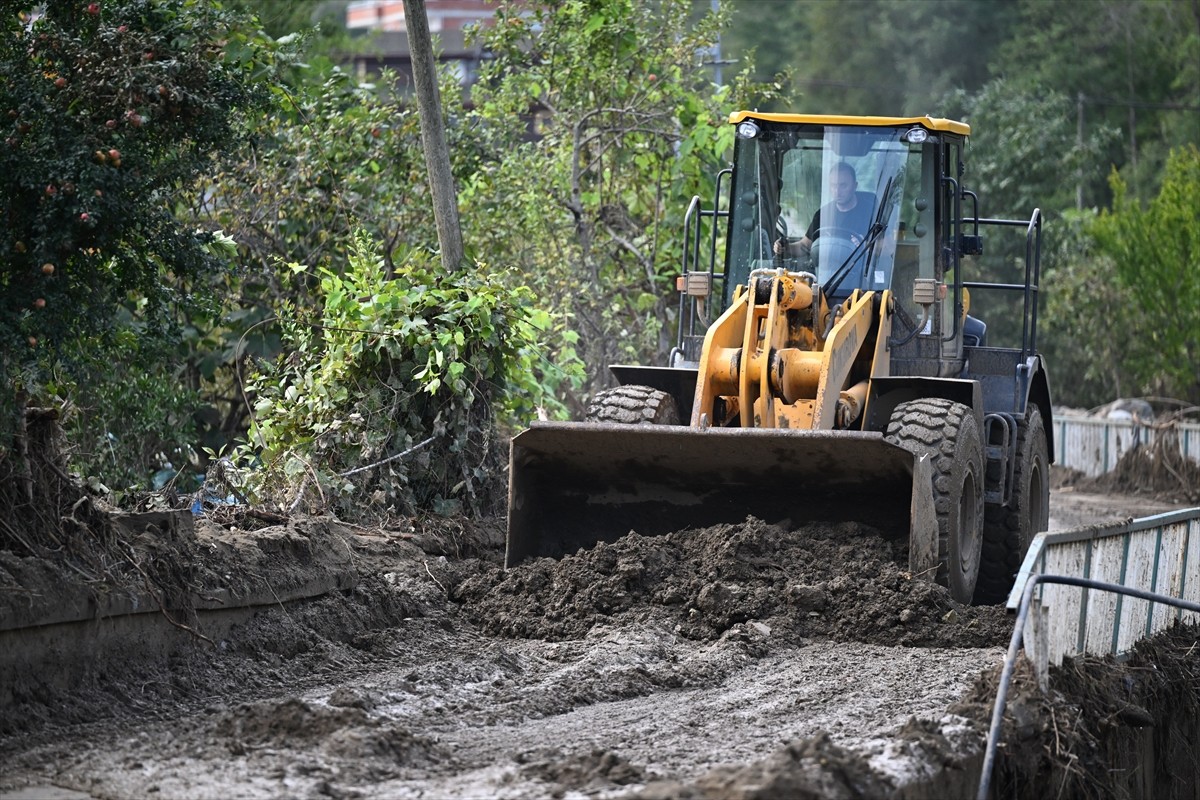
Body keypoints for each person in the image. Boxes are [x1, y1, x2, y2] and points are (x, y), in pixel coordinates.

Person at [775, 162, 875, 260]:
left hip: (862, 271)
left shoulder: (871, 212)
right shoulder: (823, 215)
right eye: (833, 185)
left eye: (843, 185)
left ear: (855, 186)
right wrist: (785, 247)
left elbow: (888, 245)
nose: (837, 191)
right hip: (830, 273)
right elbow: (805, 246)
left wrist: (866, 245)